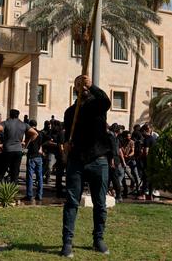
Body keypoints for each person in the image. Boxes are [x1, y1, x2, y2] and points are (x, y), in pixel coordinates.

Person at [61, 75, 112, 257]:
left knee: (100, 203)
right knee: (71, 202)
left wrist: (93, 85)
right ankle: (67, 242)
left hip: (98, 159)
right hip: (76, 160)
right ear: (75, 89)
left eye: (84, 83)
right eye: (78, 84)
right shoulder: (69, 113)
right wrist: (66, 144)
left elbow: (106, 101)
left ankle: (98, 239)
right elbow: (68, 136)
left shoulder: (97, 106)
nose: (82, 86)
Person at [0, 109, 37, 185]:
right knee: (15, 172)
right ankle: (12, 190)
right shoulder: (23, 124)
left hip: (7, 150)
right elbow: (35, 133)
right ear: (18, 115)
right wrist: (25, 143)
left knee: (2, 171)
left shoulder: (6, 123)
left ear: (10, 114)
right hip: (18, 150)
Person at [23, 119, 44, 202]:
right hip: (39, 157)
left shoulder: (29, 133)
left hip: (31, 156)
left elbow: (26, 144)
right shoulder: (40, 133)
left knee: (30, 176)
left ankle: (29, 195)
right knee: (40, 177)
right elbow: (41, 144)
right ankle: (40, 195)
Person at [137, 124, 156, 200]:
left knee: (145, 178)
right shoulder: (153, 139)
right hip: (152, 161)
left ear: (145, 131)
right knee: (150, 179)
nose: (142, 135)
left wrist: (141, 156)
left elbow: (146, 152)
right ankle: (150, 195)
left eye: (142, 132)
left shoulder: (147, 139)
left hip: (147, 162)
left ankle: (143, 195)